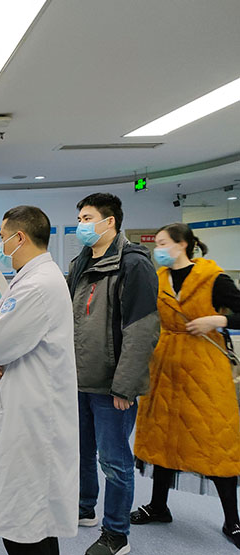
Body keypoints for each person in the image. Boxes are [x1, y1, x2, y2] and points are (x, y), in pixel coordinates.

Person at [0, 206, 79, 555]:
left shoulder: (38, 285)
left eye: (3, 238)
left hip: (31, 419)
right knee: (28, 519)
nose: (1, 245)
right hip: (23, 410)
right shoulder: (32, 279)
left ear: (20, 238)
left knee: (27, 522)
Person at [131, 224, 240, 548]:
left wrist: (218, 320)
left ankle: (233, 521)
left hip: (205, 369)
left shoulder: (213, 279)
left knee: (215, 440)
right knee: (163, 435)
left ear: (182, 245)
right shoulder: (160, 279)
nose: (158, 249)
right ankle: (158, 506)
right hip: (165, 366)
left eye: (163, 243)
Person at [67, 193, 159, 555]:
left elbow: (141, 329)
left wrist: (125, 386)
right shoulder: (79, 263)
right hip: (79, 380)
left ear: (110, 222)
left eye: (88, 218)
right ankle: (84, 507)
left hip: (111, 386)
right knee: (81, 452)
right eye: (80, 218)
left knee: (115, 462)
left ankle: (116, 534)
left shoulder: (133, 265)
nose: (81, 225)